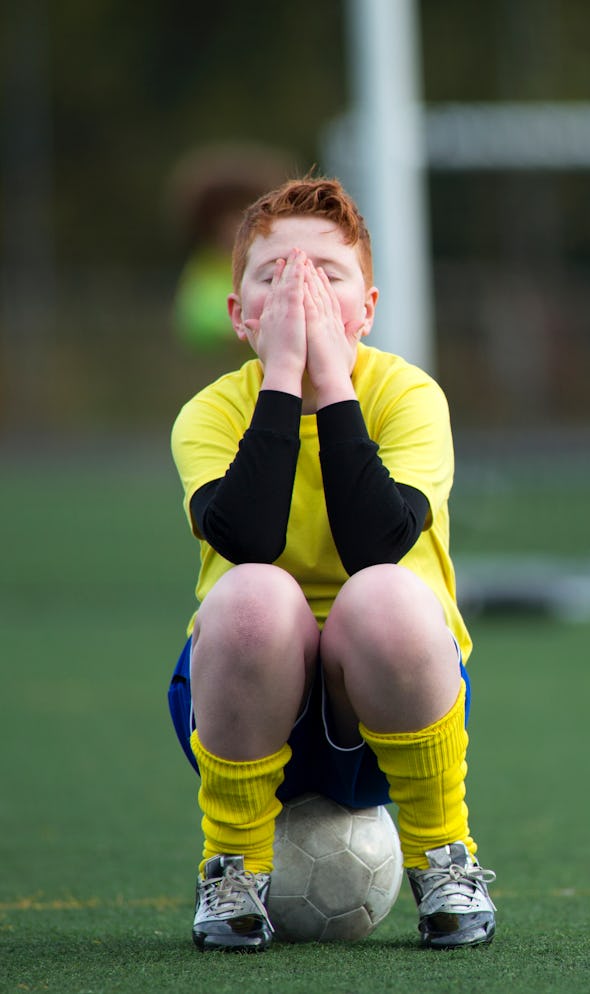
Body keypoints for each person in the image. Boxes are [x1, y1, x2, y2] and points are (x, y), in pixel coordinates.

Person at [166, 176, 496, 952]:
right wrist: (283, 380)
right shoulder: (212, 413)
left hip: (391, 701)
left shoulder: (408, 396)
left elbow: (376, 542)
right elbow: (245, 538)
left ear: (368, 311)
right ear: (240, 316)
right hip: (238, 702)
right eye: (278, 277)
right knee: (254, 592)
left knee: (385, 591)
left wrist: (332, 385)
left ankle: (444, 854)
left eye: (327, 276)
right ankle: (232, 867)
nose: (302, 294)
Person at [166, 143, 295, 354]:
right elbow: (196, 319)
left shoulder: (285, 262)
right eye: (223, 219)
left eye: (243, 215)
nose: (233, 228)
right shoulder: (206, 268)